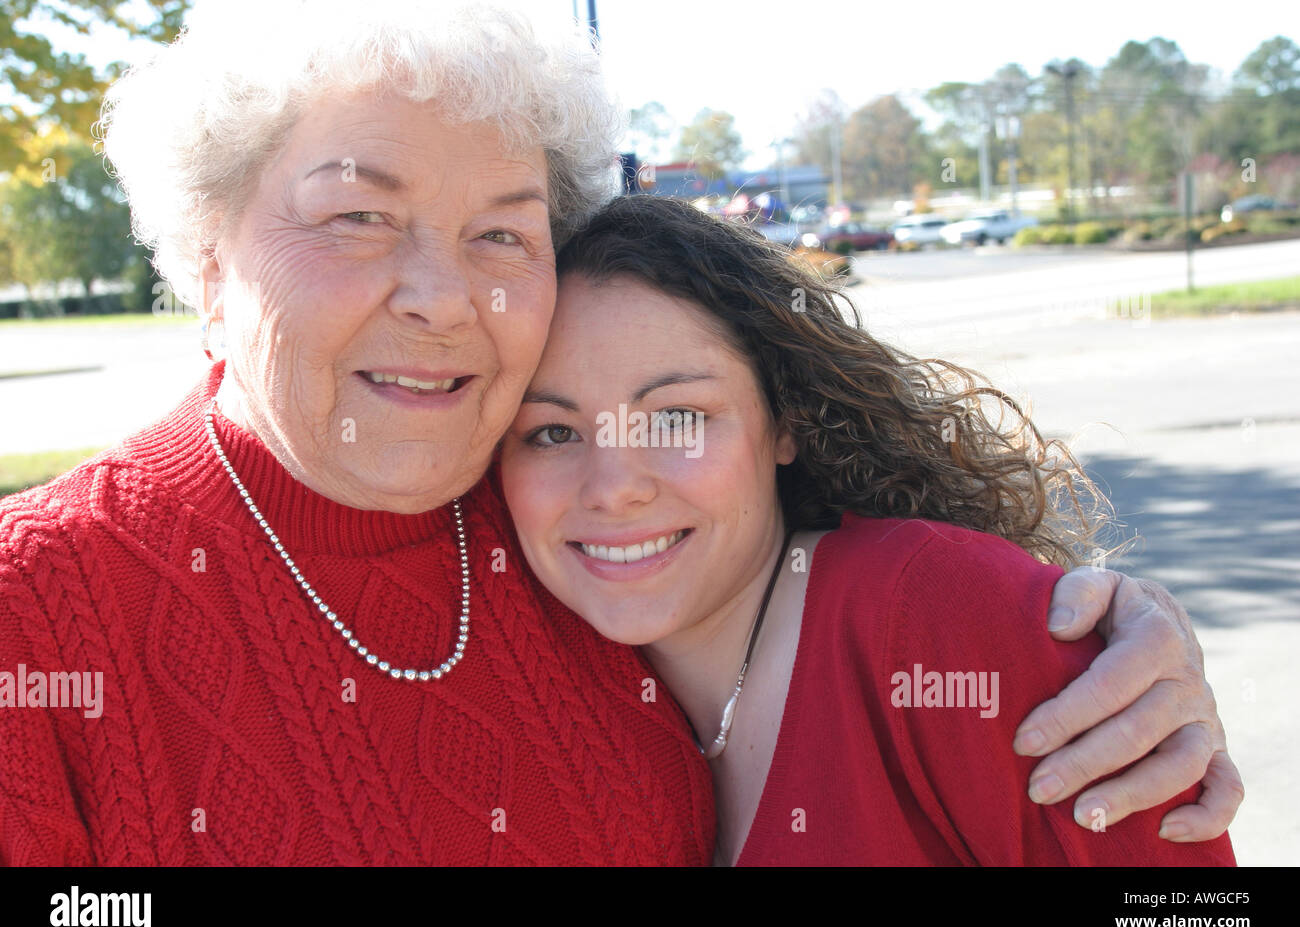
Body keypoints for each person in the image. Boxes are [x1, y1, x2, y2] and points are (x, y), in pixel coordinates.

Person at [0, 0, 1238, 866]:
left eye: (501, 233)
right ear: (210, 266)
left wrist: (1079, 628)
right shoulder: (37, 612)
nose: (443, 296)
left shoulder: (555, 523)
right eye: (357, 218)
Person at [498, 194, 1237, 865]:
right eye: (554, 432)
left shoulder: (937, 614)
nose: (615, 486)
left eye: (678, 419)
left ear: (783, 421)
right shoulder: (541, 669)